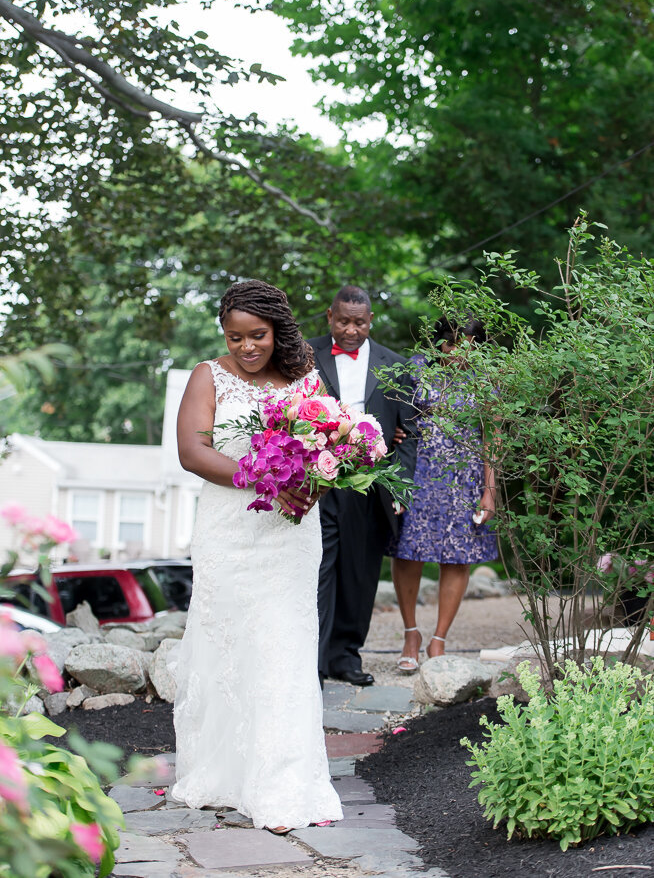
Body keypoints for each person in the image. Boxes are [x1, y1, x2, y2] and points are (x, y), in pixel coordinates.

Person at [172, 279, 342, 833]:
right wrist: (264, 479)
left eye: (258, 336)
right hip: (228, 531)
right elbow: (192, 452)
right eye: (235, 336)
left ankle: (284, 779)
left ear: (277, 330)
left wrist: (310, 484)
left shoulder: (304, 378)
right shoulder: (208, 375)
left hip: (291, 532)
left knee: (286, 644)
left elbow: (329, 448)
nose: (247, 347)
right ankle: (222, 772)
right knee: (227, 639)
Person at [309, 286, 417, 687]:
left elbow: (412, 431)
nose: (350, 330)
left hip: (371, 481)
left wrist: (401, 487)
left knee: (360, 571)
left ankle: (345, 657)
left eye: (359, 322)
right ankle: (313, 662)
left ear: (370, 321)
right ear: (329, 316)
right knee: (317, 569)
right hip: (316, 479)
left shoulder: (396, 365)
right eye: (343, 321)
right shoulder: (305, 354)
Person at [389, 316, 497, 672]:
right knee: (407, 552)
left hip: (464, 478)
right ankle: (411, 635)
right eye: (450, 344)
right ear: (438, 343)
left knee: (458, 556)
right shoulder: (415, 370)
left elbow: (490, 437)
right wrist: (394, 435)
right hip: (418, 473)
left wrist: (489, 490)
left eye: (467, 345)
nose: (456, 353)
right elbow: (395, 416)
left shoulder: (486, 379)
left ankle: (439, 641)